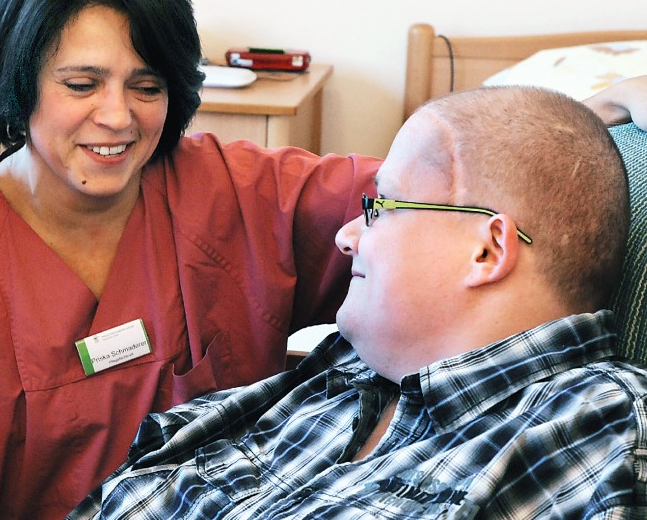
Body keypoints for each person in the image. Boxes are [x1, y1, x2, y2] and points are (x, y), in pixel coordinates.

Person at [0, 0, 380, 518]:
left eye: (147, 87)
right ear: (15, 83)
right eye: (81, 85)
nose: (119, 117)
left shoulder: (237, 193)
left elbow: (427, 200)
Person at [69, 85, 647, 518]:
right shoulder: (349, 373)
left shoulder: (600, 422)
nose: (347, 236)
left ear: (487, 250)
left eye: (384, 205)